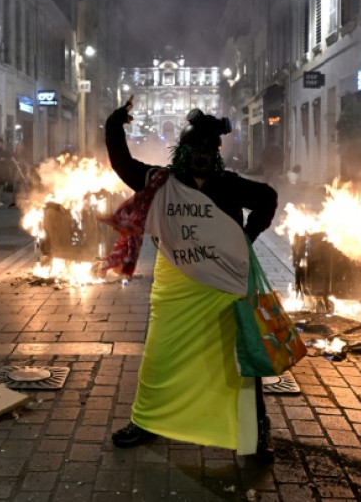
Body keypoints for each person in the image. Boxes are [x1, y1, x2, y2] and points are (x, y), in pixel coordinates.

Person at [102, 95, 278, 461]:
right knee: (159, 354)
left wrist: (245, 237)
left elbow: (267, 197)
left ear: (215, 153)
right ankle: (147, 420)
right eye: (193, 148)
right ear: (181, 150)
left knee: (237, 357)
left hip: (223, 287)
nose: (199, 155)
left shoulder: (228, 184)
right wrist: (114, 125)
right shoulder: (160, 182)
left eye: (206, 149)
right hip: (177, 289)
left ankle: (256, 430)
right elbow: (122, 164)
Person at [8, 141, 32, 208]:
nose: (20, 147)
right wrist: (15, 164)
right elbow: (11, 163)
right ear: (16, 147)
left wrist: (23, 166)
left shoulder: (25, 154)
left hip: (23, 173)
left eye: (21, 146)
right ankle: (14, 202)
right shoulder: (14, 154)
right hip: (16, 173)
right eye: (18, 146)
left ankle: (23, 201)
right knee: (15, 188)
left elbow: (27, 163)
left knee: (22, 188)